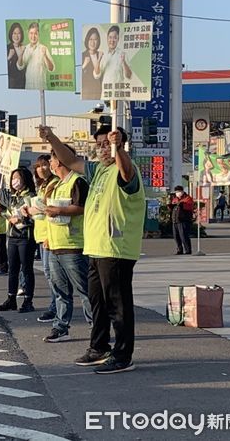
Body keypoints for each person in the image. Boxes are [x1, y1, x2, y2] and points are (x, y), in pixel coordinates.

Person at [40, 124, 145, 374]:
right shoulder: (97, 171)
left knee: (118, 304)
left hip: (116, 248)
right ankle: (98, 347)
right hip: (96, 248)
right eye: (99, 145)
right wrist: (52, 137)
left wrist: (118, 147)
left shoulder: (125, 170)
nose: (102, 149)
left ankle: (123, 355)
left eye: (106, 144)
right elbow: (70, 159)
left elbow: (126, 172)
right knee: (97, 302)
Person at [42, 147, 93, 342]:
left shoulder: (77, 181)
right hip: (55, 245)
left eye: (52, 161)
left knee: (84, 290)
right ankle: (60, 327)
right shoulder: (56, 185)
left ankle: (96, 327)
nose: (51, 165)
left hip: (73, 246)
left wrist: (59, 211)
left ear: (61, 161)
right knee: (60, 291)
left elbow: (81, 207)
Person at [0, 167, 37, 313]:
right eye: (13, 178)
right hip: (12, 237)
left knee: (26, 269)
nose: (14, 181)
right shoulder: (13, 197)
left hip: (26, 237)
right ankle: (11, 298)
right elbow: (1, 198)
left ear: (25, 179)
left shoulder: (31, 197)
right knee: (13, 269)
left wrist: (22, 219)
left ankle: (28, 300)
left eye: (17, 178)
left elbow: (37, 218)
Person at [23, 155, 61, 323]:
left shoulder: (53, 183)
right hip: (41, 234)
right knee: (49, 273)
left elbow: (45, 206)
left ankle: (56, 307)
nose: (42, 168)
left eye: (46, 164)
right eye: (39, 166)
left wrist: (32, 209)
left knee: (53, 274)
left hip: (49, 234)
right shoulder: (42, 185)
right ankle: (56, 306)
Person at [93, 25, 132, 98]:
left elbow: (129, 76)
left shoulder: (122, 54)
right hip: (106, 94)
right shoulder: (102, 55)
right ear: (107, 38)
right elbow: (96, 75)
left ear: (118, 39)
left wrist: (123, 62)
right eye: (110, 37)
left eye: (115, 38)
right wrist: (98, 60)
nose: (112, 40)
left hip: (119, 95)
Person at [17, 22, 55, 90]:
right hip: (29, 87)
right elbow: (20, 66)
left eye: (35, 34)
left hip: (41, 86)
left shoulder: (44, 48)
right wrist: (21, 54)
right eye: (31, 33)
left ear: (38, 35)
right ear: (28, 33)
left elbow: (51, 68)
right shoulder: (25, 48)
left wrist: (45, 56)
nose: (33, 36)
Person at [169, 185, 194, 255]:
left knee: (184, 236)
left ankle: (188, 250)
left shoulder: (188, 198)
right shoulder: (175, 199)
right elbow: (173, 207)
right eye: (176, 192)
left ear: (182, 191)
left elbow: (189, 207)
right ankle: (179, 250)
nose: (178, 193)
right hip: (175, 221)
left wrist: (182, 205)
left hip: (183, 220)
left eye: (179, 191)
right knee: (176, 236)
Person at [81, 27, 103, 100]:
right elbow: (80, 74)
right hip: (87, 92)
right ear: (87, 40)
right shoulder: (83, 55)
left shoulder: (101, 55)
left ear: (98, 41)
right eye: (90, 39)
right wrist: (84, 65)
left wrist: (99, 59)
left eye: (95, 39)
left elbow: (98, 75)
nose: (93, 42)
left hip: (99, 92)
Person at [7, 22, 26, 89]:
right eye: (14, 33)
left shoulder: (25, 48)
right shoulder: (8, 48)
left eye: (19, 33)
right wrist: (9, 57)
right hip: (12, 82)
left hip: (23, 82)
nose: (16, 36)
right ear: (11, 34)